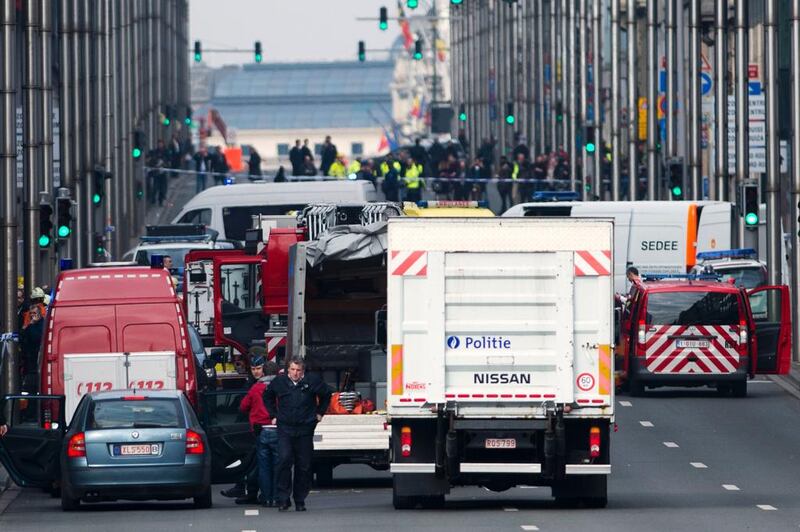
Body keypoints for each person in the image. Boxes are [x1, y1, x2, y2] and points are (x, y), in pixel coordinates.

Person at [263, 356, 331, 512]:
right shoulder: (279, 382)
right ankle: (283, 498)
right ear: (288, 370)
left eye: (298, 371)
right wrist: (273, 415)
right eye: (292, 370)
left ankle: (300, 499)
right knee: (284, 459)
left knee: (304, 465)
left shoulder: (312, 381)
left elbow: (326, 395)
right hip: (285, 427)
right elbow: (267, 396)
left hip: (305, 428)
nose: (295, 373)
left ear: (303, 371)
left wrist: (320, 413)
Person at [235, 357, 280, 506]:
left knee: (264, 467)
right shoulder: (282, 386)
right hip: (279, 429)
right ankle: (278, 497)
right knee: (279, 466)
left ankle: (266, 497)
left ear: (263, 372)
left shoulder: (256, 388)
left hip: (261, 430)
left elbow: (242, 407)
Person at [20, 303, 44, 392]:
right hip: (29, 358)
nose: (32, 315)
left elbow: (36, 338)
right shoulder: (30, 325)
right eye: (31, 313)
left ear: (39, 313)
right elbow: (22, 337)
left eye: (34, 313)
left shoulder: (40, 324)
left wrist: (30, 326)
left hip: (36, 358)